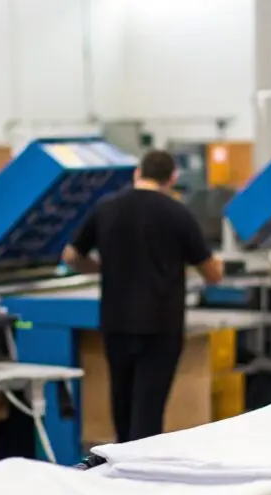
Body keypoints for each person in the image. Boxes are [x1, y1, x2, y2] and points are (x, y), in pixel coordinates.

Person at [62, 149, 224, 444]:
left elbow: (71, 255)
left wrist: (99, 268)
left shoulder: (106, 208)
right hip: (161, 326)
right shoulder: (177, 213)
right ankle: (142, 476)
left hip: (116, 321)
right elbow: (211, 273)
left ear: (138, 172)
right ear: (172, 178)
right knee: (149, 409)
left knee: (121, 404)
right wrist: (218, 264)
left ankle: (122, 469)